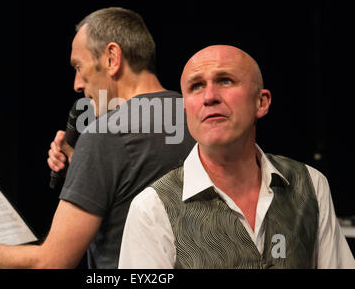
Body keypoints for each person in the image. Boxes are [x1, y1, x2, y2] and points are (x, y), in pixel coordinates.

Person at [0, 7, 195, 268]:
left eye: (78, 66)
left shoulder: (104, 134)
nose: (77, 84)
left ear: (111, 58)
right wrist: (83, 167)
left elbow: (51, 263)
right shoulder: (195, 116)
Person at [118, 45, 355, 269]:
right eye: (196, 86)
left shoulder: (311, 184)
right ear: (186, 110)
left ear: (261, 102)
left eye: (225, 80)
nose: (209, 96)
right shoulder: (152, 210)